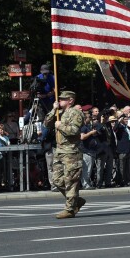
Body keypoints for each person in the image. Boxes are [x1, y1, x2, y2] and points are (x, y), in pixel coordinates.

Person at [43, 90, 86, 218]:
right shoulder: (59, 113)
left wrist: (60, 125)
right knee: (56, 180)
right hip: (60, 150)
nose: (59, 101)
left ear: (70, 100)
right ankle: (76, 201)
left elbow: (74, 130)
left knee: (71, 181)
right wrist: (53, 110)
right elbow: (46, 124)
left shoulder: (76, 113)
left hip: (71, 151)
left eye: (62, 99)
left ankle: (70, 209)